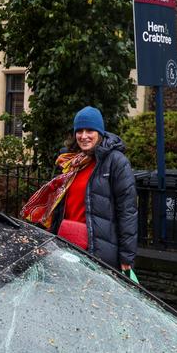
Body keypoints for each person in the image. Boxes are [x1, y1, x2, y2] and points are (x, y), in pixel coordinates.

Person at [21, 106, 138, 272]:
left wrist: (127, 256)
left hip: (98, 248)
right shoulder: (71, 163)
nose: (84, 136)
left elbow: (127, 211)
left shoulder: (116, 162)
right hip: (66, 243)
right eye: (79, 131)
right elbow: (58, 208)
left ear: (100, 132)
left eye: (90, 130)